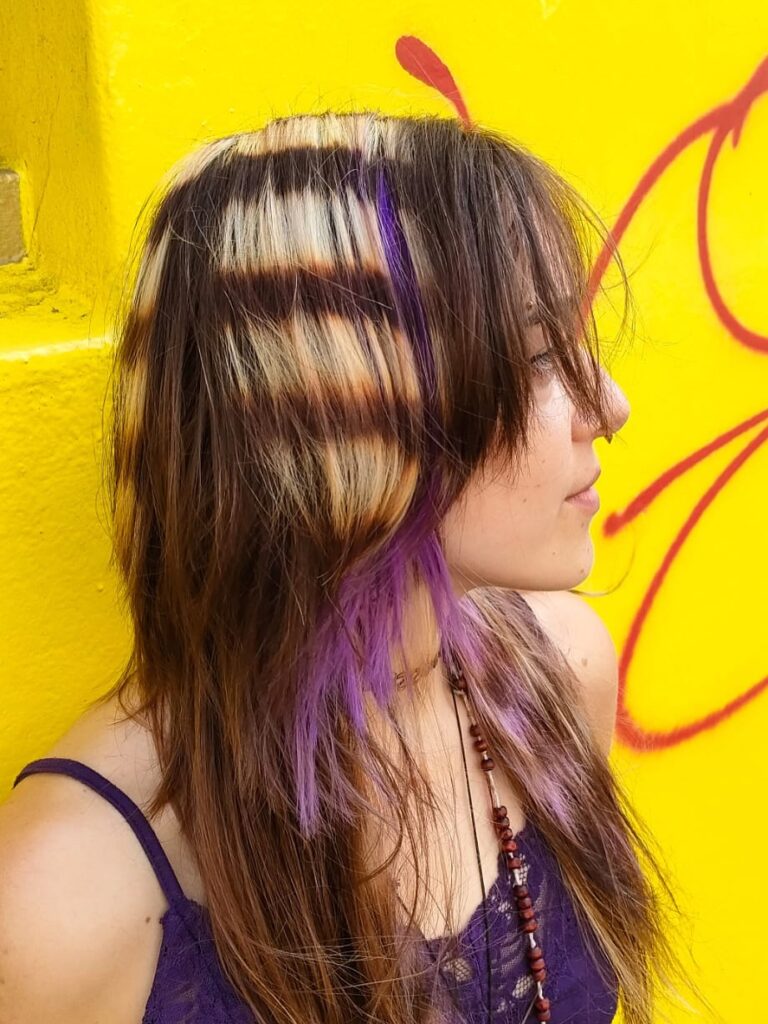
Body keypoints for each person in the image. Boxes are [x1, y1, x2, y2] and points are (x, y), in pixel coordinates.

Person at [0, 111, 702, 1024]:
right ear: (333, 418)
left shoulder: (557, 674)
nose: (608, 405)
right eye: (536, 356)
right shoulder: (67, 895)